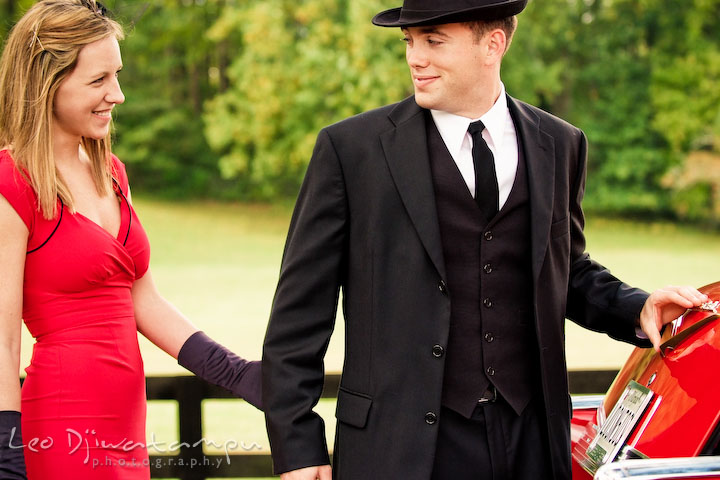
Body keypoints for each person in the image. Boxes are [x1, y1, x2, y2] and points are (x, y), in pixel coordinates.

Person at [261, 1, 709, 479]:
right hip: (401, 449)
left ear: (493, 43)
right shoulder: (350, 150)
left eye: (433, 40)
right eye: (409, 42)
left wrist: (635, 306)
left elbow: (565, 269)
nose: (415, 58)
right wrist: (299, 448)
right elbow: (299, 314)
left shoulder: (560, 143)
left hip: (532, 443)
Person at [0, 1, 262, 478]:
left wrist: (236, 372)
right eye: (98, 80)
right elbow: (2, 341)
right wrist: (7, 455)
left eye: (116, 75)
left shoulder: (110, 172)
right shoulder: (11, 182)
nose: (117, 95)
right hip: (59, 426)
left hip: (124, 428)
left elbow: (142, 297)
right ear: (47, 83)